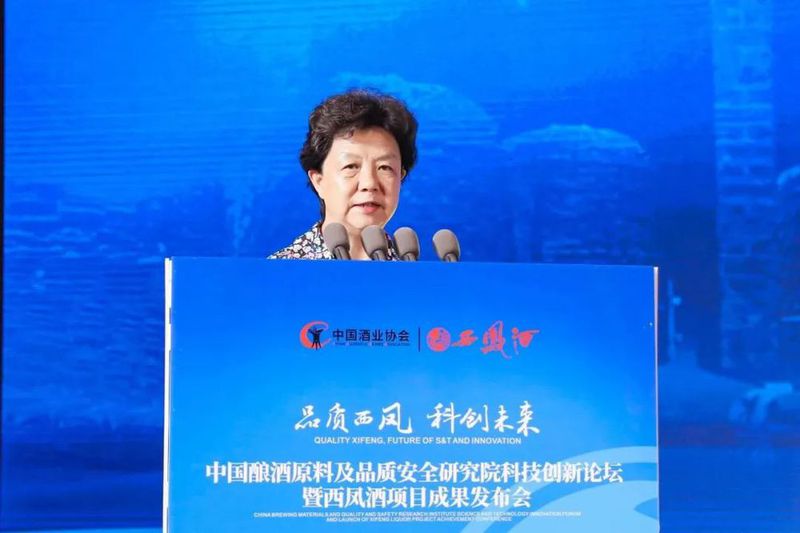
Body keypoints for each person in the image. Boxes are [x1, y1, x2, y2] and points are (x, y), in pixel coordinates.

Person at [269, 89, 418, 260]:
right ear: (319, 181)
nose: (369, 184)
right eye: (351, 166)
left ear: (401, 177)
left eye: (384, 167)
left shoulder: (410, 270)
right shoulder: (282, 270)